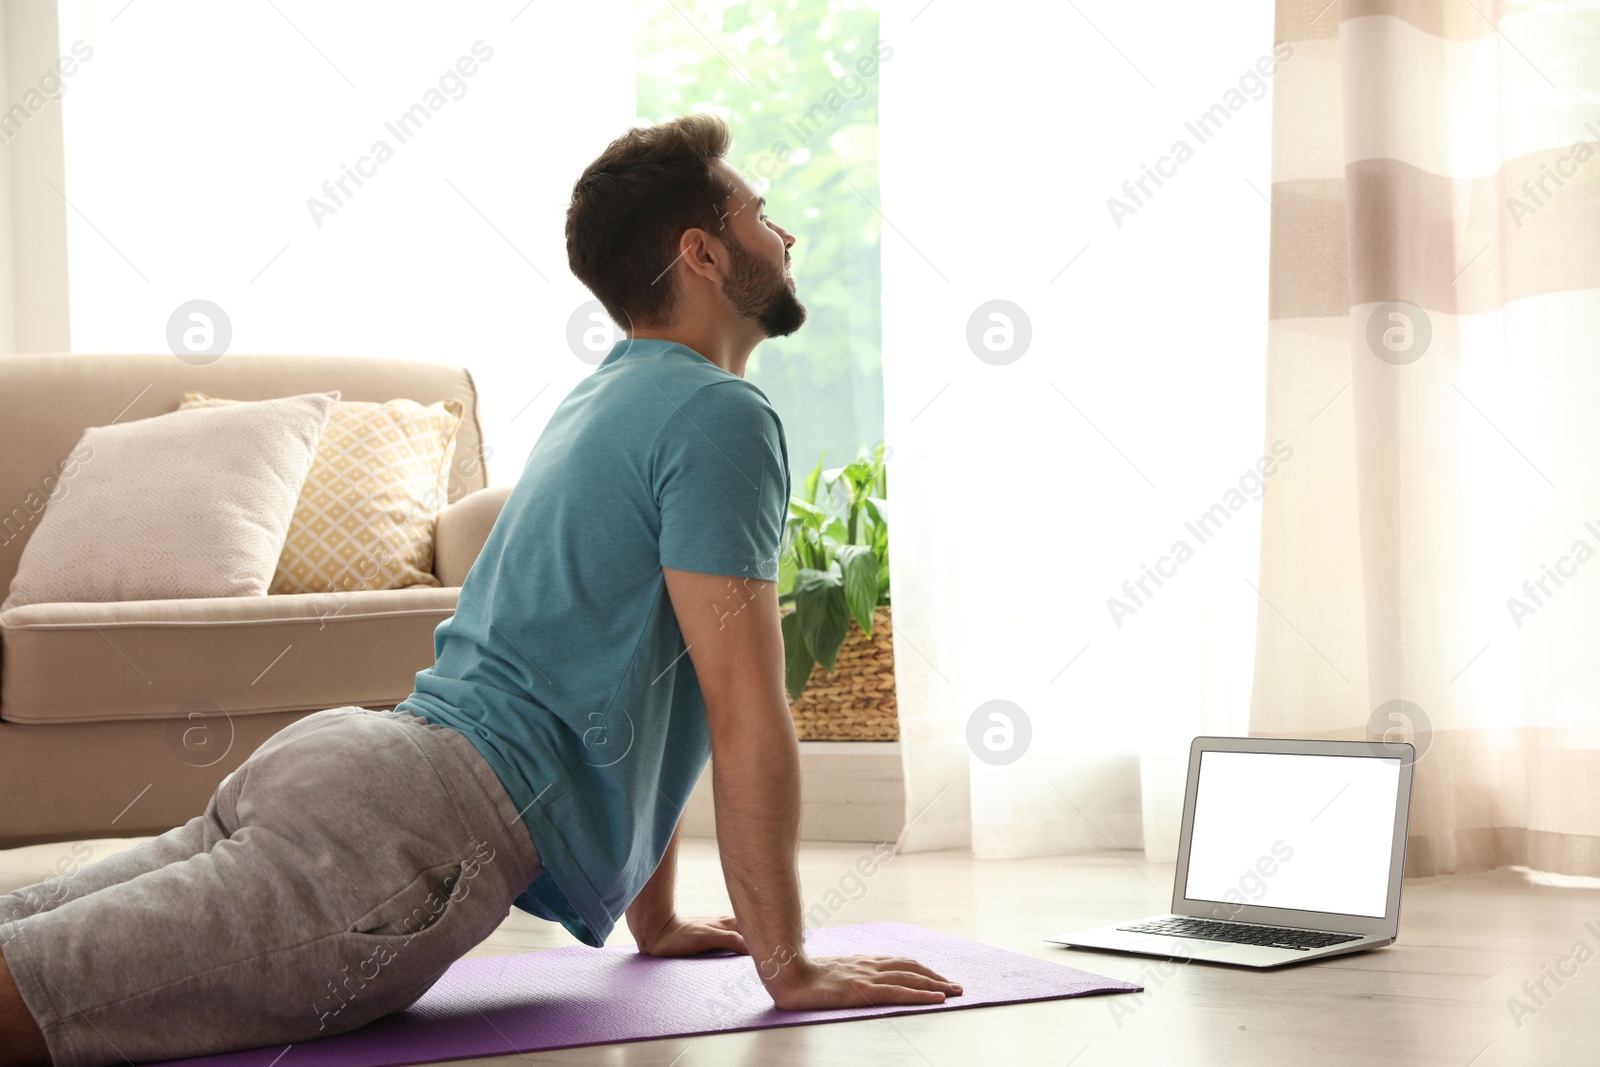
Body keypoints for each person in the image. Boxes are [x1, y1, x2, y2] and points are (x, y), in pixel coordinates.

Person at [0, 114, 958, 1067]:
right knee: (33, 997)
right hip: (407, 836)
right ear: (703, 253)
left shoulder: (608, 395)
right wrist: (789, 964)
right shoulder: (723, 418)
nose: (784, 235)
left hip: (359, 762)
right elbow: (745, 709)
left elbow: (628, 674)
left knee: (27, 942)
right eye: (760, 212)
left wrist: (655, 920)